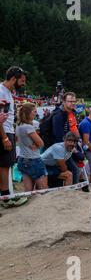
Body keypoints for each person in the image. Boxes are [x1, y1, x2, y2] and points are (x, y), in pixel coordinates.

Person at [0, 67, 28, 207]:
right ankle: (6, 198)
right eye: (22, 81)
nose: (23, 84)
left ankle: (6, 195)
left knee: (7, 165)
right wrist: (5, 137)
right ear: (13, 79)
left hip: (8, 131)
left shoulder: (8, 92)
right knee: (4, 166)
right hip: (3, 132)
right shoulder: (1, 91)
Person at [49, 92, 81, 184]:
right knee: (74, 171)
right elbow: (58, 135)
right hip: (61, 148)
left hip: (68, 146)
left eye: (74, 101)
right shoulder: (58, 115)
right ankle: (71, 193)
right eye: (70, 101)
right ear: (63, 102)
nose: (73, 103)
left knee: (73, 171)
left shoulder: (71, 113)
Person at [16, 103, 48, 192]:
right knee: (43, 190)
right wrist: (36, 144)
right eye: (34, 112)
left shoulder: (18, 126)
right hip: (33, 159)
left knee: (28, 191)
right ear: (28, 113)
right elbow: (41, 143)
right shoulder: (28, 127)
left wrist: (33, 144)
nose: (35, 114)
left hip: (22, 158)